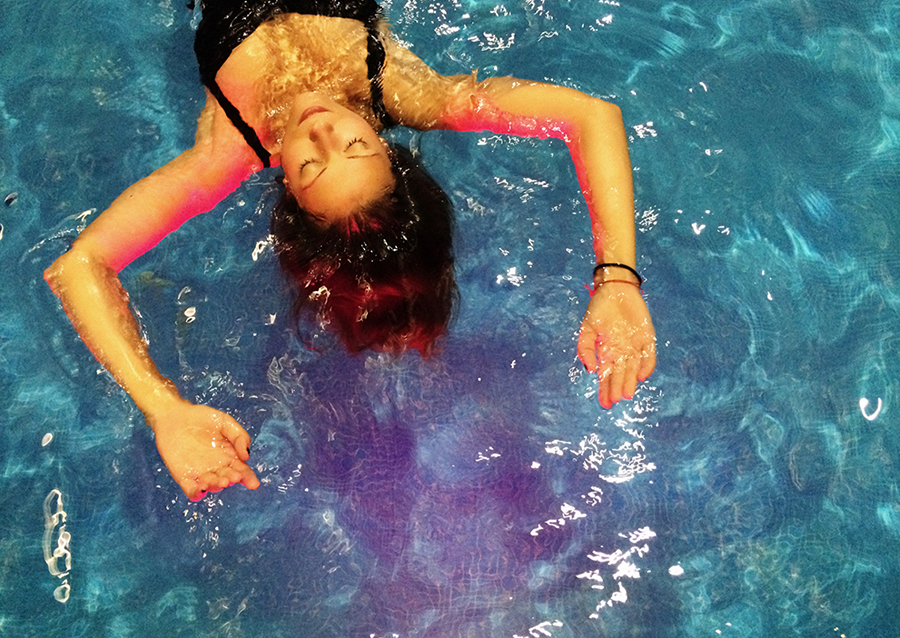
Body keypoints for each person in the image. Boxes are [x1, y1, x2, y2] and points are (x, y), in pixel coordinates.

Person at [44, 0, 657, 501]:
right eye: (357, 146)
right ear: (388, 150)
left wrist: (163, 409)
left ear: (288, 187)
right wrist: (617, 278)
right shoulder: (408, 93)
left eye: (310, 165)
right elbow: (590, 116)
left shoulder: (227, 149)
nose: (321, 129)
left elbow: (80, 265)